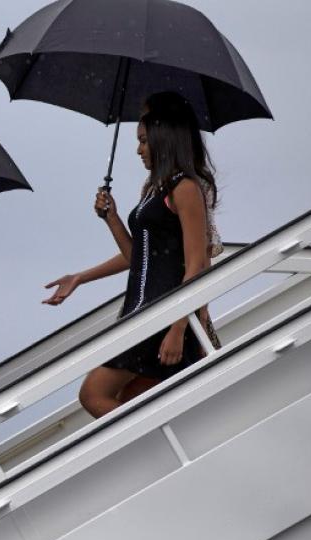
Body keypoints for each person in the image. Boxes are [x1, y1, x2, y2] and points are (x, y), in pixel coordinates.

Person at [43, 93, 218, 417]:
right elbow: (140, 256)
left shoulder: (185, 188)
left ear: (162, 139)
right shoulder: (157, 189)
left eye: (143, 141)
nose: (138, 150)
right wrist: (111, 220)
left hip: (162, 315)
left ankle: (151, 454)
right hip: (142, 311)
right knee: (132, 402)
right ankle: (156, 456)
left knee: (94, 394)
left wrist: (178, 328)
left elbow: (197, 264)